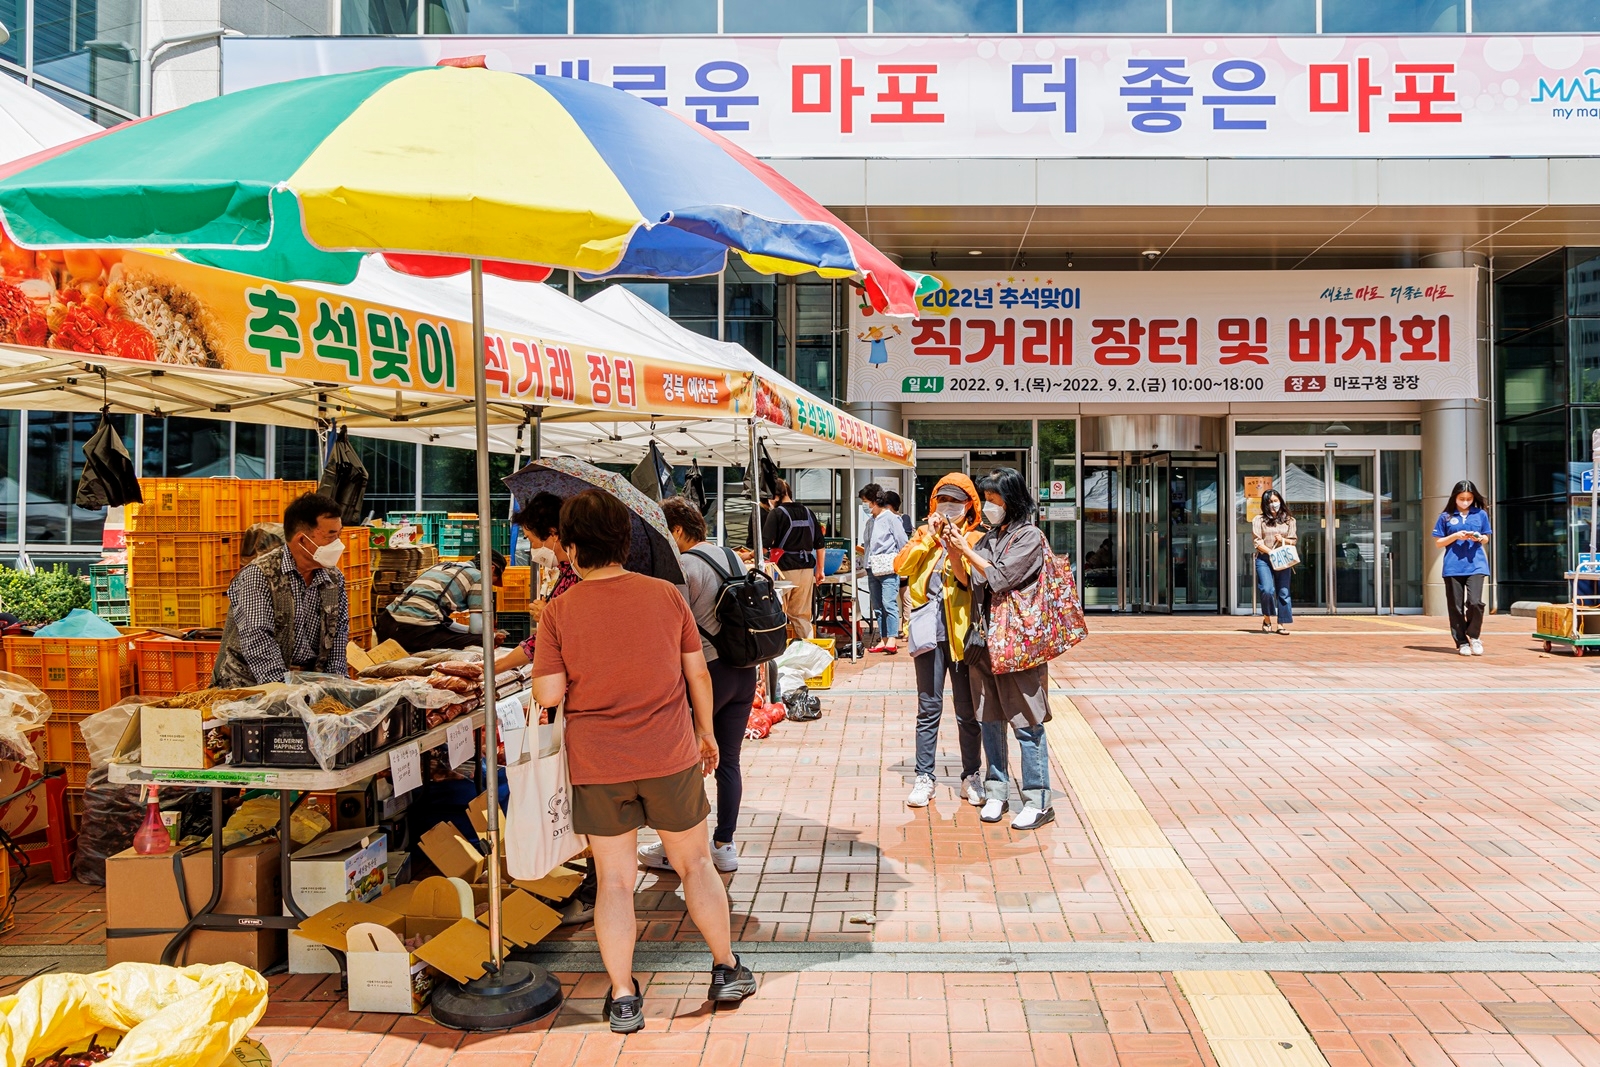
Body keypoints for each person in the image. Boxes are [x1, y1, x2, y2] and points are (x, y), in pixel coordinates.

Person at [530, 490, 756, 1033]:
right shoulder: (666, 596)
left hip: (598, 763)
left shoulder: (559, 611)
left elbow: (549, 695)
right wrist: (706, 733)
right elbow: (697, 673)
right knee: (696, 864)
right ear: (627, 544)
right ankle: (726, 969)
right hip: (669, 752)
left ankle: (625, 996)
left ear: (573, 548)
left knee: (613, 880)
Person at [638, 497, 757, 875]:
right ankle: (724, 844)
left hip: (708, 674)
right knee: (729, 761)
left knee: (684, 763)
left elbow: (675, 630)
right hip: (744, 669)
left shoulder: (684, 566)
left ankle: (679, 848)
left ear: (675, 530)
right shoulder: (731, 556)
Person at [940, 468, 1055, 831]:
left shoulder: (1029, 537)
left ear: (1013, 499)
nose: (990, 507)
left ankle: (1037, 799)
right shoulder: (990, 538)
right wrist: (953, 548)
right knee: (988, 717)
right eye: (986, 499)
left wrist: (966, 550)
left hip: (1018, 644)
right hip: (984, 640)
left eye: (995, 499)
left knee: (1027, 721)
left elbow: (1000, 577)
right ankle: (997, 790)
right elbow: (967, 578)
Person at [896, 474, 985, 809]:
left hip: (962, 636)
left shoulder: (975, 538)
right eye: (943, 500)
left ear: (969, 506)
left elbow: (969, 581)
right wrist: (929, 541)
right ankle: (925, 776)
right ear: (934, 503)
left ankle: (971, 774)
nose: (949, 507)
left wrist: (957, 545)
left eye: (956, 501)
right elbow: (900, 566)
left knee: (967, 710)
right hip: (927, 631)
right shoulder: (922, 534)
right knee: (928, 706)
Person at [213, 492, 349, 686]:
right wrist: (284, 693)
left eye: (339, 534)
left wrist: (337, 685)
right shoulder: (259, 575)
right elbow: (258, 640)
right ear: (302, 540)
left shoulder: (334, 579)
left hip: (307, 686)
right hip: (250, 689)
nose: (338, 544)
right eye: (331, 536)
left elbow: (338, 636)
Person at [494, 492, 580, 672]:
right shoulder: (566, 572)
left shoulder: (578, 576)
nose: (532, 549)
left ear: (553, 534)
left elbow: (576, 630)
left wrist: (548, 615)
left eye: (530, 540)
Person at [376, 551, 507, 653]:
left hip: (386, 624)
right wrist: (492, 636)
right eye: (494, 580)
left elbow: (444, 623)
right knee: (484, 641)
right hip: (414, 632)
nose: (491, 584)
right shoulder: (480, 577)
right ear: (491, 569)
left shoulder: (442, 566)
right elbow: (477, 629)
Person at [1433, 479, 1491, 656]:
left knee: (1475, 603)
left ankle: (1474, 636)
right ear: (1455, 498)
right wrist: (1456, 535)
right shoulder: (1445, 517)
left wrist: (1479, 538)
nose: (1465, 502)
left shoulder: (1480, 514)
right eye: (1462, 498)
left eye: (1469, 498)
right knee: (1455, 606)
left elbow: (1487, 538)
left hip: (1476, 565)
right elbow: (1438, 543)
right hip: (1453, 566)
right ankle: (1461, 641)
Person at [762, 479, 823, 639]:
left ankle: (779, 656)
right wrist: (820, 571)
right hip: (807, 571)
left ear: (775, 496)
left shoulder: (776, 513)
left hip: (784, 572)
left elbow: (764, 545)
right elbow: (820, 544)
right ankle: (810, 654)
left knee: (779, 614)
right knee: (802, 616)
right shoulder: (809, 512)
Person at [858, 484, 908, 653]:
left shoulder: (891, 518)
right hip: (872, 567)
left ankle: (892, 638)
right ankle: (884, 638)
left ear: (874, 501)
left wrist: (901, 564)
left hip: (888, 567)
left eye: (866, 501)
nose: (865, 505)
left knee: (889, 603)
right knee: (878, 606)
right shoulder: (870, 521)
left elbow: (902, 542)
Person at [1252, 489, 1297, 635]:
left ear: (1281, 501)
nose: (1273, 504)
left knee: (1283, 591)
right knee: (1267, 589)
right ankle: (1267, 618)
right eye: (1270, 501)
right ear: (1265, 504)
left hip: (1283, 558)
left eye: (1275, 500)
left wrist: (1282, 540)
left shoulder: (1289, 520)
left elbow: (1293, 541)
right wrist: (1270, 552)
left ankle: (1281, 624)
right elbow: (1257, 542)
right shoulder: (1259, 520)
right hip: (1265, 558)